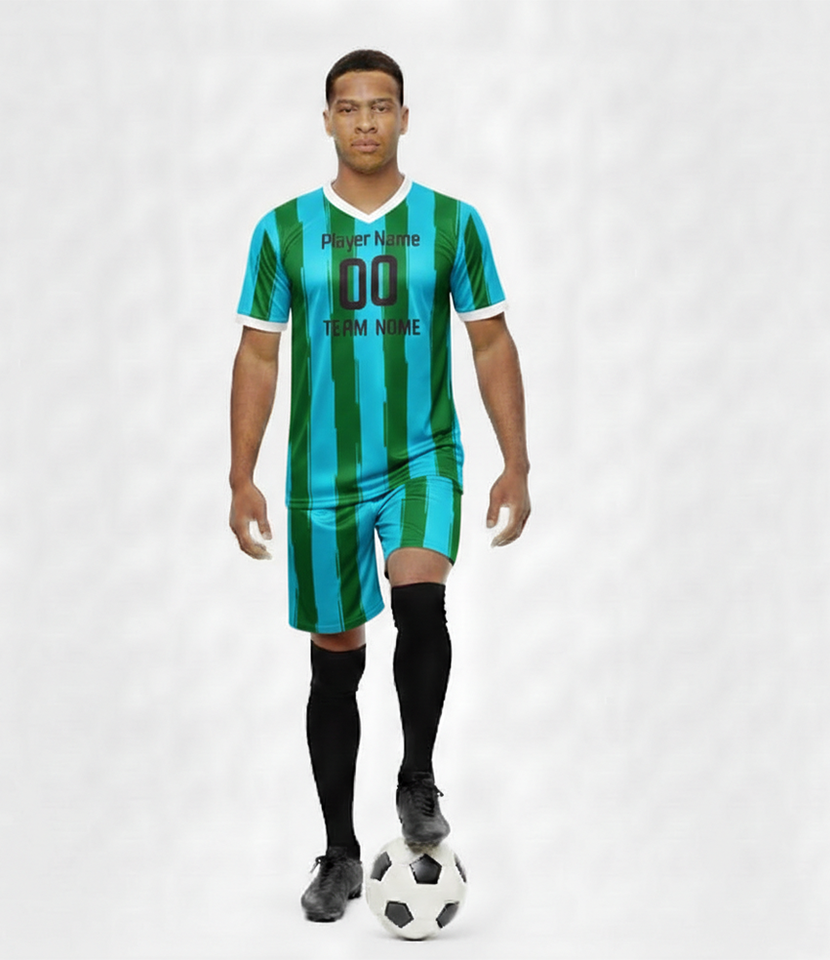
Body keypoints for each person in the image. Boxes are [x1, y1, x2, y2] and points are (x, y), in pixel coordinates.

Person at [229, 49, 530, 923]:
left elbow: (489, 340)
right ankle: (340, 853)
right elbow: (258, 353)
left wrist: (515, 460)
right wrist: (241, 475)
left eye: (382, 106)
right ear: (327, 119)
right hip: (321, 478)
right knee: (336, 667)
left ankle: (417, 779)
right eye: (350, 107)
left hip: (421, 458)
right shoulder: (283, 230)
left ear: (404, 117)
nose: (366, 121)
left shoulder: (453, 224)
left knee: (422, 602)